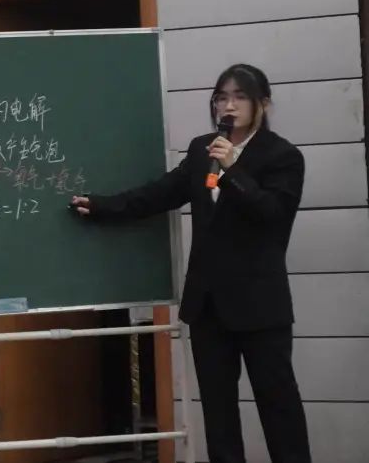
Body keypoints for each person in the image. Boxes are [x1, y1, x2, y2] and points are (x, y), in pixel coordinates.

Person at [69, 63, 311, 463]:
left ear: (263, 104)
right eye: (221, 97)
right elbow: (160, 193)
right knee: (218, 410)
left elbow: (273, 214)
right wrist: (101, 206)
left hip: (260, 306)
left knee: (278, 404)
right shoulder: (203, 150)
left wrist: (233, 169)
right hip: (207, 305)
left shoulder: (282, 156)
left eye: (240, 97)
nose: (228, 106)